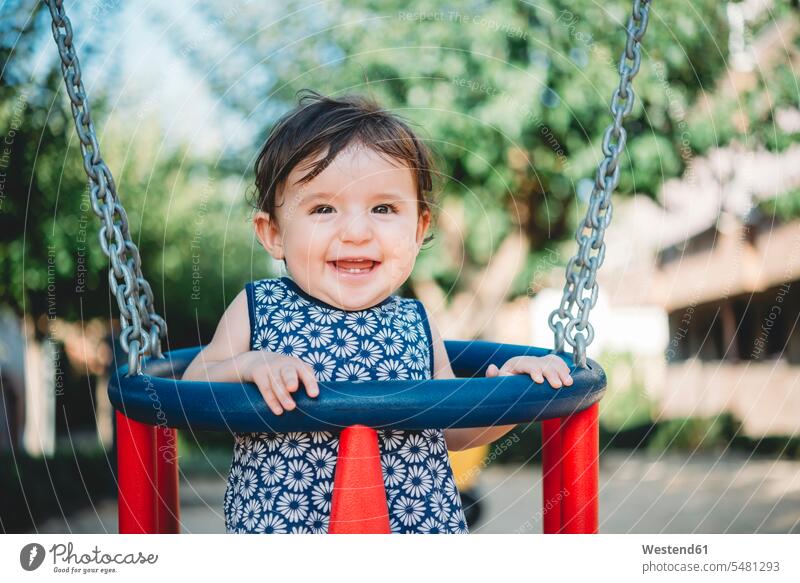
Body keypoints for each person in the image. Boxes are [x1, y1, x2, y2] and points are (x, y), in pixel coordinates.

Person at [182, 90, 574, 533]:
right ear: (272, 233)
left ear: (419, 227)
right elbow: (192, 388)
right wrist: (249, 364)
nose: (356, 231)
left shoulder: (416, 322)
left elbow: (452, 431)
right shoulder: (260, 308)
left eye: (384, 208)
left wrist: (506, 398)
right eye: (323, 208)